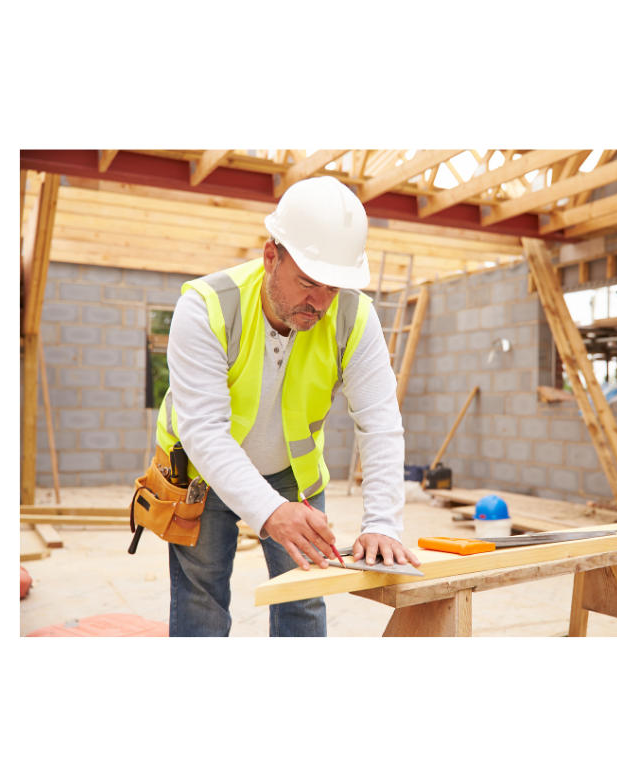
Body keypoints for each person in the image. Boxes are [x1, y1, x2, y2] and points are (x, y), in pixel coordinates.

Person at [156, 176, 419, 637]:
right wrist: (270, 512)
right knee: (202, 602)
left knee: (303, 599)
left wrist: (382, 523)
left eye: (333, 288)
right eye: (308, 283)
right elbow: (203, 430)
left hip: (291, 473)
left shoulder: (354, 317)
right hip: (201, 471)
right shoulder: (206, 308)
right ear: (271, 256)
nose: (319, 303)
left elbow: (380, 422)